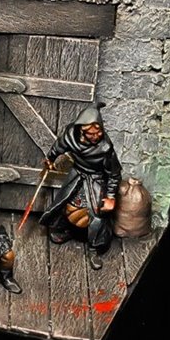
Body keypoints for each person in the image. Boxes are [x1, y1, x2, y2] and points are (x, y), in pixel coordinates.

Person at [39, 104, 122, 269]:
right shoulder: (70, 135)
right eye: (92, 133)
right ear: (82, 131)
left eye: (99, 132)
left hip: (96, 179)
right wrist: (50, 159)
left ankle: (94, 248)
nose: (96, 136)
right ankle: (65, 230)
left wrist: (111, 197)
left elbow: (114, 174)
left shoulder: (105, 148)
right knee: (64, 202)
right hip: (76, 173)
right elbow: (58, 147)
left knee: (97, 213)